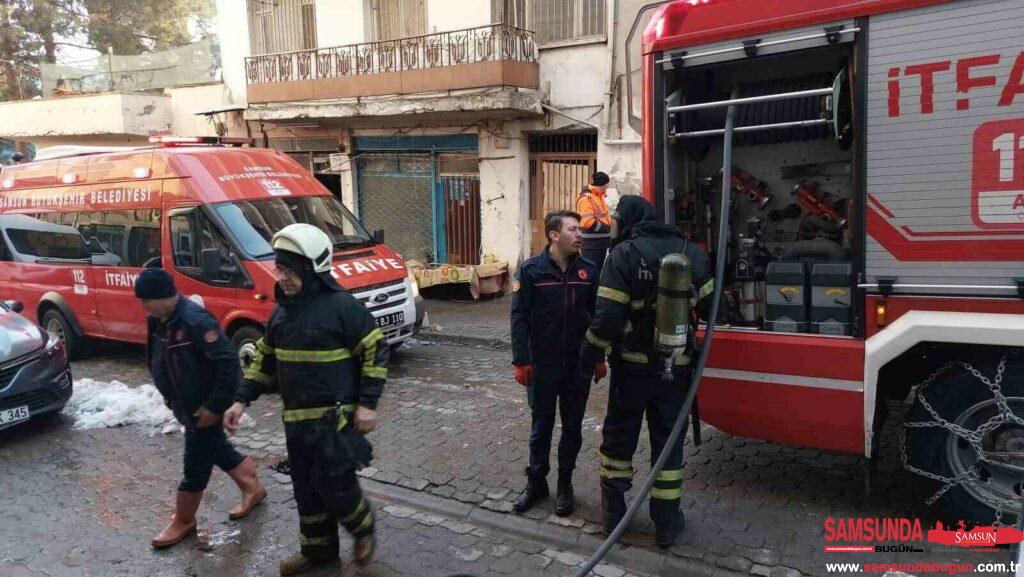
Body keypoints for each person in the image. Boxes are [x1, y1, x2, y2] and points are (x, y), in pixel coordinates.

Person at [222, 223, 387, 576]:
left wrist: (368, 404)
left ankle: (363, 529)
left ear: (313, 269)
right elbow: (265, 359)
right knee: (307, 491)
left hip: (335, 422)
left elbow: (375, 348)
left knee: (336, 487)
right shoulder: (283, 312)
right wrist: (240, 401)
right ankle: (319, 554)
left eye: (289, 270)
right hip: (297, 424)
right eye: (279, 269)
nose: (282, 277)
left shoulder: (343, 307)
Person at [576, 195, 714, 548]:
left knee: (619, 438)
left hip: (632, 368)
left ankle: (613, 515)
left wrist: (588, 354)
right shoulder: (691, 251)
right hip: (677, 369)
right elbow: (719, 308)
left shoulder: (622, 255)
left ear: (631, 219)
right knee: (668, 445)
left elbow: (607, 318)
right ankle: (667, 524)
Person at [137, 268, 266, 550]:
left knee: (195, 463)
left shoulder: (195, 319)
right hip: (184, 404)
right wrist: (169, 394)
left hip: (205, 407)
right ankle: (252, 487)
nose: (143, 305)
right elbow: (157, 358)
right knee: (215, 446)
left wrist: (214, 406)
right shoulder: (156, 320)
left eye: (146, 299)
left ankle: (183, 519)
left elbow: (228, 364)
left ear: (163, 295)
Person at [510, 210, 602, 516]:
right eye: (573, 230)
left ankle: (565, 484)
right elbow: (519, 318)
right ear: (553, 235)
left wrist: (598, 357)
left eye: (580, 230)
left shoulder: (588, 270)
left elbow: (597, 318)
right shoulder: (531, 270)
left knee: (572, 428)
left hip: (578, 366)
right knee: (541, 427)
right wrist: (522, 361)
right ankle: (536, 483)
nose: (580, 235)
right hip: (542, 365)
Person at [576, 171, 613, 273]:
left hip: (600, 243)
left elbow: (602, 216)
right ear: (600, 186)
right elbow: (587, 221)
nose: (607, 188)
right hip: (591, 244)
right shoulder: (586, 198)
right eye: (606, 186)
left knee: (596, 273)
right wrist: (605, 228)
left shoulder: (598, 196)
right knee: (590, 272)